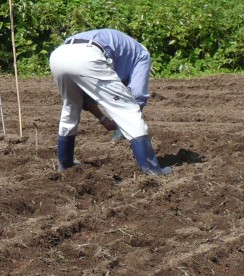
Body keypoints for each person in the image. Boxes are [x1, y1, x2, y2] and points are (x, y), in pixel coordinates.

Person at [49, 28, 171, 175]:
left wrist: (103, 119)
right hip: (89, 55)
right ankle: (151, 169)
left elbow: (85, 99)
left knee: (71, 106)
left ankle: (65, 164)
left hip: (59, 55)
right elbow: (137, 94)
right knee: (129, 109)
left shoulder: (120, 48)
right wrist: (124, 124)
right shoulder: (142, 54)